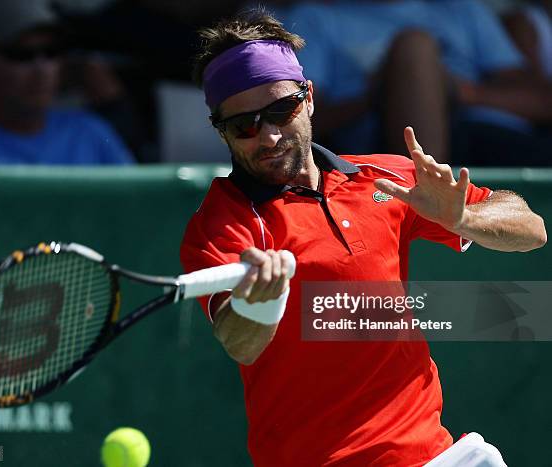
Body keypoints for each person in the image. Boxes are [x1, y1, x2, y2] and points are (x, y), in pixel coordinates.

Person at [180, 9, 547, 467]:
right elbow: (240, 342)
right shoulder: (221, 225)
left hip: (438, 455)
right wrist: (261, 301)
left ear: (308, 98)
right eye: (244, 125)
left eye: (281, 110)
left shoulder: (383, 176)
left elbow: (532, 230)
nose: (269, 135)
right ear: (222, 131)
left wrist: (462, 218)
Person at [270, 0, 552, 165]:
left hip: (497, 138)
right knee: (414, 47)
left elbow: (540, 101)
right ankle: (425, 204)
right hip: (383, 145)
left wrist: (459, 91)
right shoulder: (317, 17)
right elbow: (294, 118)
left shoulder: (462, 8)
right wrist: (384, 91)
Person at [0, 0, 133, 165]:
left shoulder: (92, 134)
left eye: (52, 52)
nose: (42, 69)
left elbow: (137, 204)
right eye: (22, 54)